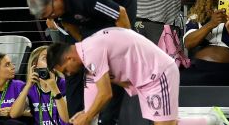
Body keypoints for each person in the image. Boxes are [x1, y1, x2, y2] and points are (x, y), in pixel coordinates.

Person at [26, 0, 137, 123]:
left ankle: (108, 120)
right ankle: (78, 119)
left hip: (119, 4)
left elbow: (120, 14)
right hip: (88, 15)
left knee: (114, 64)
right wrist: (86, 50)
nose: (51, 18)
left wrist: (127, 52)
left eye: (50, 14)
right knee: (77, 64)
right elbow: (67, 23)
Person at [46, 27, 180, 125]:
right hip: (147, 80)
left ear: (69, 58)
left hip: (159, 74)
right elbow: (93, 98)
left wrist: (87, 117)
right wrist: (86, 114)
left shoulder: (91, 51)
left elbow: (105, 94)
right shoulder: (87, 57)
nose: (68, 74)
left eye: (65, 70)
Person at [10, 46, 69, 124]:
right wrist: (27, 86)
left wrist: (54, 88)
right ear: (35, 64)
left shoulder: (65, 84)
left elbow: (66, 119)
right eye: (45, 58)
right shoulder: (30, 87)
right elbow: (14, 114)